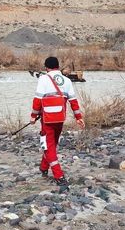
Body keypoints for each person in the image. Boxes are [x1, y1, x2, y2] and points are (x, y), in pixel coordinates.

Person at [30, 56, 85, 192]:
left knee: (49, 147)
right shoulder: (66, 80)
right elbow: (73, 101)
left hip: (47, 120)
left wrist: (33, 116)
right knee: (52, 144)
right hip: (60, 118)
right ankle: (43, 168)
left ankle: (59, 175)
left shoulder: (43, 79)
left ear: (46, 67)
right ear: (57, 66)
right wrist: (79, 117)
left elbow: (37, 100)